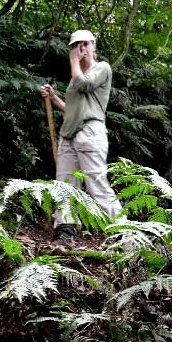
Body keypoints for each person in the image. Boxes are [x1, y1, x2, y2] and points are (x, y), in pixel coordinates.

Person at [40, 29, 121, 243]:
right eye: (76, 45)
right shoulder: (74, 79)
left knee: (96, 184)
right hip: (69, 134)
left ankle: (125, 235)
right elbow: (73, 110)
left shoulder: (102, 68)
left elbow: (84, 84)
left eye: (85, 44)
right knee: (65, 185)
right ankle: (65, 232)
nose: (81, 49)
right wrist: (55, 98)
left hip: (90, 133)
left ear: (94, 46)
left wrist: (73, 61)